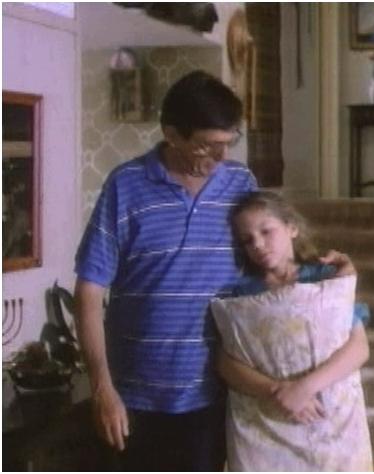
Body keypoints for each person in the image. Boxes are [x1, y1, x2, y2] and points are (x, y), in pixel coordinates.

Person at [73, 70, 256, 471]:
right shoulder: (125, 185)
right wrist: (102, 389)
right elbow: (88, 290)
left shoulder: (241, 183)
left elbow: (271, 261)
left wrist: (320, 270)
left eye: (229, 143)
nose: (222, 158)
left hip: (213, 391)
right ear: (171, 135)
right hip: (133, 397)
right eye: (208, 145)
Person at [214, 191, 373, 471]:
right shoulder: (240, 295)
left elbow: (359, 348)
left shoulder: (327, 280)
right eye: (248, 240)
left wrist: (304, 388)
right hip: (267, 425)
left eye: (266, 231)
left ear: (292, 228)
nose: (258, 244)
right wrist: (278, 390)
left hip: (330, 416)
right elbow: (226, 362)